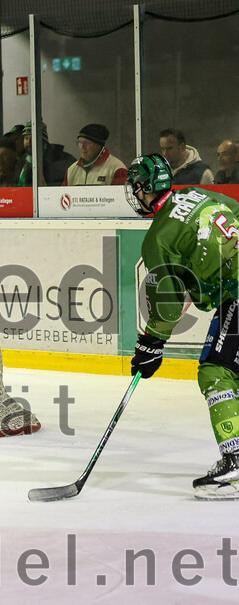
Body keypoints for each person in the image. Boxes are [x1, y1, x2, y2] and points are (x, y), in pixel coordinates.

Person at [126, 153, 239, 500]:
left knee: (217, 371)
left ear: (145, 189)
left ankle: (236, 463)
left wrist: (150, 344)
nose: (135, 194)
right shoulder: (197, 193)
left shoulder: (158, 236)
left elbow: (169, 302)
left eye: (136, 188)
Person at [17, 121, 76, 187]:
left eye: (33, 138)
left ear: (44, 141)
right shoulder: (21, 162)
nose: (29, 142)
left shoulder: (63, 161)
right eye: (26, 138)